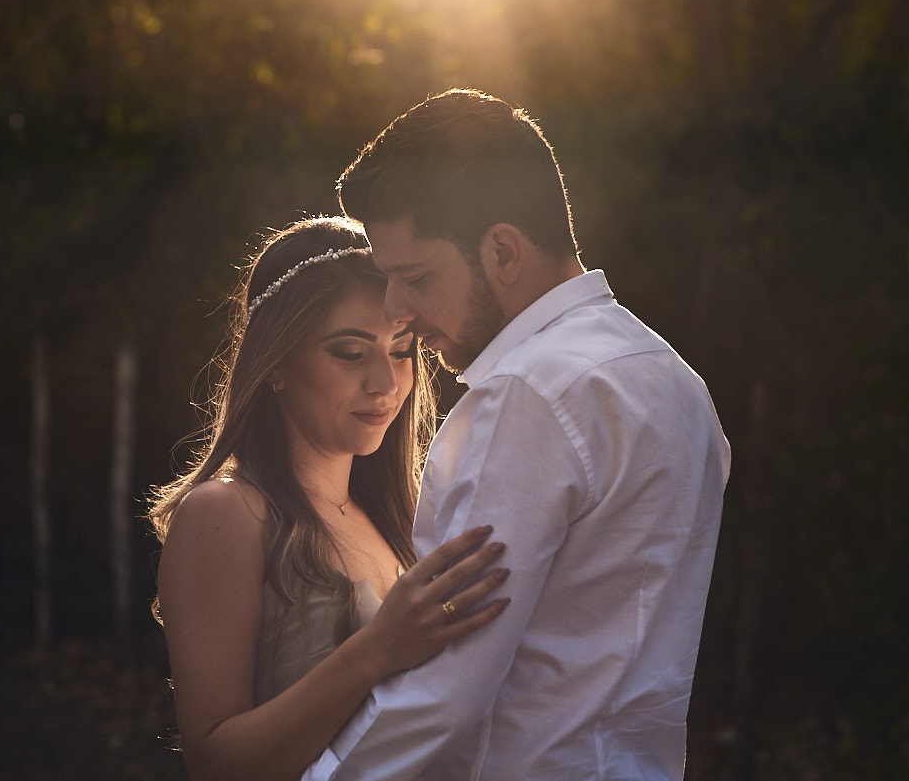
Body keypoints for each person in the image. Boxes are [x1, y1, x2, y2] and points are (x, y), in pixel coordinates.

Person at [300, 90, 732, 781]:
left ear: (502, 249)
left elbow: (442, 691)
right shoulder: (676, 382)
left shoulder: (525, 394)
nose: (396, 312)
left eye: (414, 277)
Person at [147, 216, 511, 781]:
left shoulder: (406, 519)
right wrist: (377, 651)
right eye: (349, 352)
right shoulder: (226, 515)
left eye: (401, 349)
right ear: (276, 366)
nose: (385, 384)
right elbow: (215, 765)